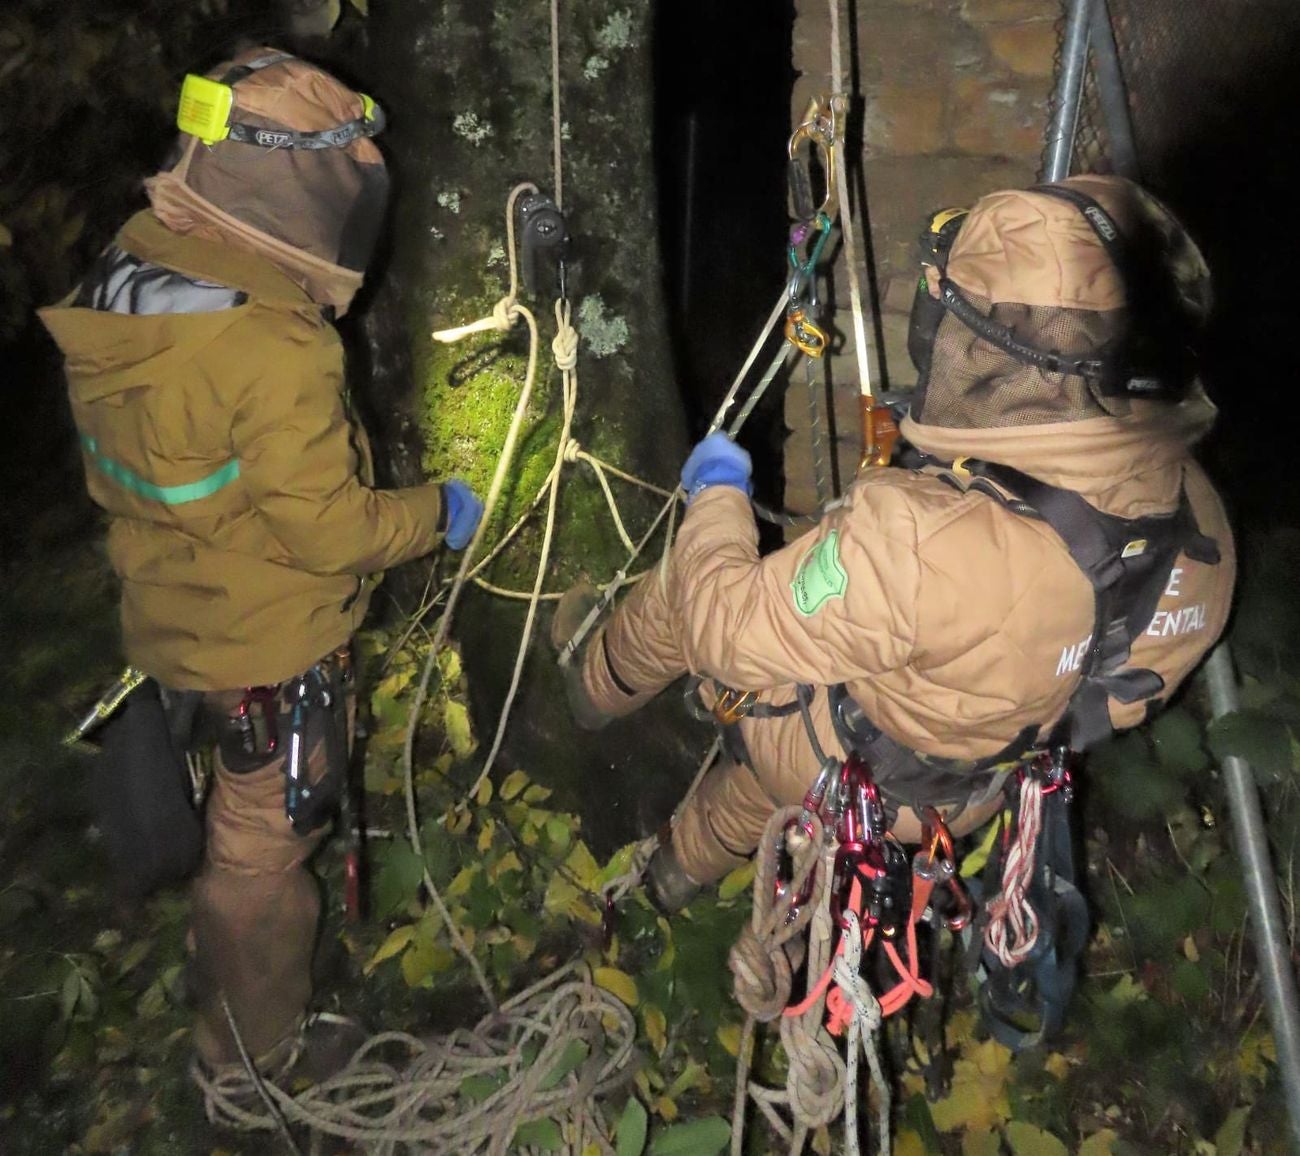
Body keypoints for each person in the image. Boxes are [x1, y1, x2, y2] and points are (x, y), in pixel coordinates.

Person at [555, 174, 1236, 915]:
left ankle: (593, 684)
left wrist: (717, 496)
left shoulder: (922, 541)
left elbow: (726, 630)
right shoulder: (1205, 532)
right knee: (753, 789)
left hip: (838, 755)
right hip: (956, 798)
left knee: (689, 591)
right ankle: (670, 881)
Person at [39, 49, 482, 1083]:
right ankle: (251, 1061)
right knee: (259, 862)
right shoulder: (272, 345)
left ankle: (228, 1005)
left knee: (233, 820)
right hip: (267, 644)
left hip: (173, 611)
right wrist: (434, 514)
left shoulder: (134, 264)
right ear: (292, 184)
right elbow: (328, 530)